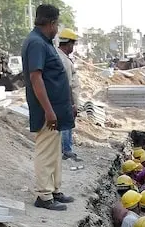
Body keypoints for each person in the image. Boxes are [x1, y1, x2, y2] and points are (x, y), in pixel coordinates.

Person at [21, 4, 75, 211]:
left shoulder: (44, 42)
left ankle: (53, 190)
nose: (57, 29)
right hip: (46, 111)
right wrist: (49, 110)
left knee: (54, 151)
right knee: (45, 151)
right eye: (57, 24)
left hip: (56, 109)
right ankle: (43, 196)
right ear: (51, 23)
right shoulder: (36, 43)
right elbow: (36, 78)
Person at [57, 28, 81, 161]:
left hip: (61, 99)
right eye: (73, 44)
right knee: (66, 124)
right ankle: (67, 149)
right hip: (65, 100)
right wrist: (73, 104)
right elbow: (68, 84)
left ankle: (65, 148)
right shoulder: (64, 61)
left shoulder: (59, 56)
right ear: (69, 44)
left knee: (65, 124)